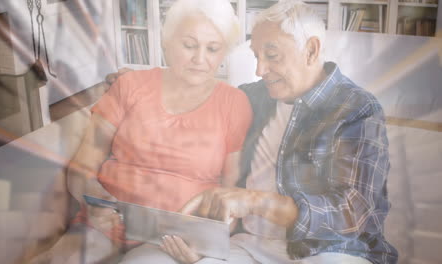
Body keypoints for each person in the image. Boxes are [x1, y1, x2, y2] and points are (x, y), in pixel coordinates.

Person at [119, 1, 398, 264]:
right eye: (256, 56)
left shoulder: (357, 108)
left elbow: (352, 213)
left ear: (311, 50)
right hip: (247, 244)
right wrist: (134, 82)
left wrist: (255, 202)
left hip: (328, 251)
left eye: (272, 56)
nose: (259, 69)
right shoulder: (254, 97)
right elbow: (197, 96)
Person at [30, 0, 252, 263]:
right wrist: (94, 199)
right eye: (189, 45)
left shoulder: (234, 102)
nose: (199, 59)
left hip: (173, 238)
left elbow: (232, 191)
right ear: (166, 41)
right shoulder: (129, 86)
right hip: (103, 226)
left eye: (213, 48)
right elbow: (82, 166)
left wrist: (208, 243)